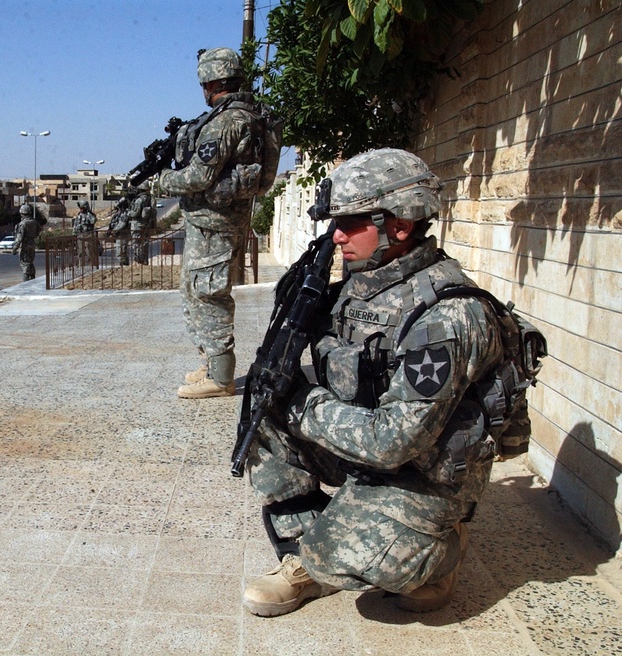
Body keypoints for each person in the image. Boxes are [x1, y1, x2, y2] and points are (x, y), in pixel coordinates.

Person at [242, 148, 505, 618]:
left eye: (351, 222)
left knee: (340, 554)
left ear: (400, 226)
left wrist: (306, 407)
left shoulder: (447, 315)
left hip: (424, 474)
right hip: (366, 452)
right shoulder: (359, 287)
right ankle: (306, 559)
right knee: (263, 408)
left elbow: (393, 442)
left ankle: (440, 553)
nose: (336, 235)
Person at [158, 47, 272, 399]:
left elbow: (197, 178)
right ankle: (211, 362)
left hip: (216, 223)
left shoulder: (227, 121)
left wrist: (158, 182)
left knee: (209, 294)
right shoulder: (246, 114)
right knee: (196, 291)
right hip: (211, 221)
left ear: (210, 82)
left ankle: (221, 378)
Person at [127, 184, 155, 265]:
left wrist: (128, 213)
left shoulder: (139, 200)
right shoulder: (151, 198)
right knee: (145, 242)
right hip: (147, 223)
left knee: (137, 242)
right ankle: (145, 260)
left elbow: (135, 213)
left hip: (138, 224)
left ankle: (138, 260)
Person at [12, 202, 40, 281]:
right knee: (30, 262)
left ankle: (26, 282)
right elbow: (39, 230)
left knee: (25, 264)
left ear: (22, 213)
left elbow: (19, 237)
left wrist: (15, 248)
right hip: (32, 243)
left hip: (25, 244)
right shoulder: (34, 222)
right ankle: (33, 279)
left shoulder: (23, 224)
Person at [73, 200, 98, 266]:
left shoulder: (89, 215)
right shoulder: (79, 215)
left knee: (89, 251)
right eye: (80, 208)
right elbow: (75, 225)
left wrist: (88, 213)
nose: (80, 209)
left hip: (88, 235)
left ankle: (91, 265)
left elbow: (93, 221)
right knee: (80, 251)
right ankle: (81, 265)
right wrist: (73, 234)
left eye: (82, 208)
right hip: (80, 236)